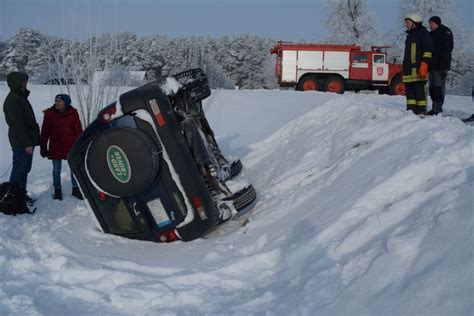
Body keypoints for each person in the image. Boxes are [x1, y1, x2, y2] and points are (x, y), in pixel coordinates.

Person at [3, 72, 40, 200]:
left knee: (24, 169)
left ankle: (20, 194)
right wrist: (27, 144)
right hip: (21, 142)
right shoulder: (13, 100)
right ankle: (13, 198)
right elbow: (18, 125)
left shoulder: (20, 97)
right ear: (17, 82)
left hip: (26, 141)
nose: (25, 83)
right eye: (23, 81)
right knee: (19, 170)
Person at [40, 94, 83, 200]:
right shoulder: (50, 114)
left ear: (66, 103)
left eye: (60, 101)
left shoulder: (73, 113)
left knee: (74, 168)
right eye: (56, 100)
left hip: (71, 146)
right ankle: (57, 189)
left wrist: (80, 146)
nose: (57, 103)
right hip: (56, 146)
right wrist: (43, 147)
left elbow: (78, 131)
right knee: (56, 170)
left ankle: (76, 188)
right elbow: (45, 132)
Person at [402, 13, 433, 116]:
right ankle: (411, 111)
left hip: (419, 69)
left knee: (420, 91)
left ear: (415, 23)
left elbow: (428, 50)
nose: (406, 25)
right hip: (409, 70)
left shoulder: (423, 33)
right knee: (410, 92)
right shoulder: (409, 36)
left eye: (408, 22)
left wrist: (424, 64)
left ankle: (421, 111)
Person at [427, 16, 454, 115]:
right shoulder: (430, 34)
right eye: (429, 23)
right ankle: (434, 108)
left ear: (437, 23)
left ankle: (438, 109)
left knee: (439, 88)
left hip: (441, 66)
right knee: (432, 88)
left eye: (432, 23)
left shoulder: (445, 32)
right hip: (432, 66)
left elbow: (447, 49)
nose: (430, 25)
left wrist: (443, 65)